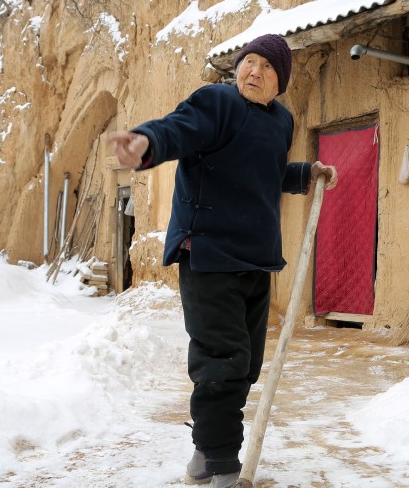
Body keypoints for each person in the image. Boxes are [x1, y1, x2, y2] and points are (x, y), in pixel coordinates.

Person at [107, 34, 338, 488]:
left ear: (281, 81)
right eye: (248, 62)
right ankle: (223, 464)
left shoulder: (281, 122)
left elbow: (266, 175)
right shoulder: (217, 101)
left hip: (256, 258)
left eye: (266, 67)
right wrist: (146, 143)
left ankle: (204, 453)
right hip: (208, 253)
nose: (254, 71)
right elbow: (178, 128)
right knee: (222, 361)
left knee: (245, 364)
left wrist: (306, 174)